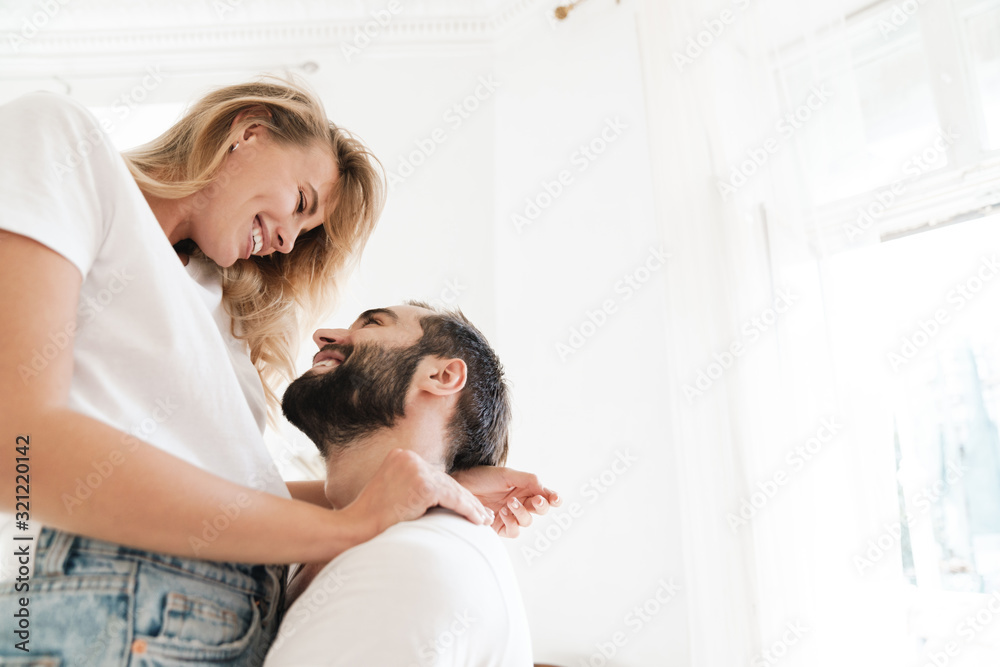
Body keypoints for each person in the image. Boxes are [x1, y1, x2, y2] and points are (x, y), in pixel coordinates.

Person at [0, 79, 555, 665]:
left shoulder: (217, 304)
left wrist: (432, 482)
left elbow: (229, 495)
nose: (288, 239)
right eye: (301, 202)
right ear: (249, 131)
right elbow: (17, 443)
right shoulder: (62, 143)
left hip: (220, 627)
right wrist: (348, 528)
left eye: (304, 234)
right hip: (120, 606)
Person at [263, 302, 535, 666]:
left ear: (442, 377)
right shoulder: (349, 534)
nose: (322, 335)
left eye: (373, 322)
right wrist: (444, 478)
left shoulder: (413, 562)